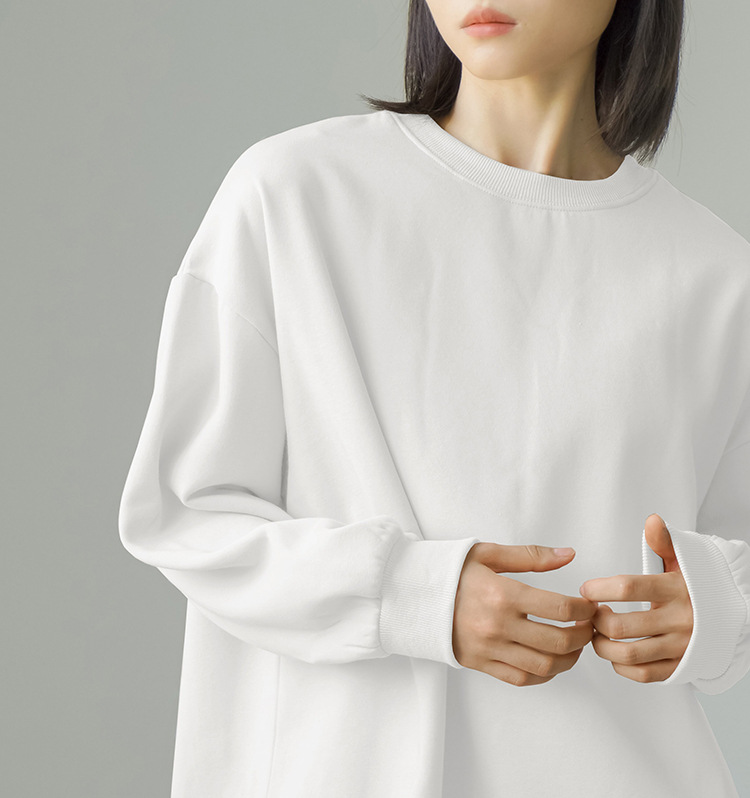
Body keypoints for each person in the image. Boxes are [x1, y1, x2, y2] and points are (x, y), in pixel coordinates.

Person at [118, 0, 750, 795]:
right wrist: (414, 595)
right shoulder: (295, 195)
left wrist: (716, 610)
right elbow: (184, 512)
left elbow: (733, 566)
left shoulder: (717, 275)